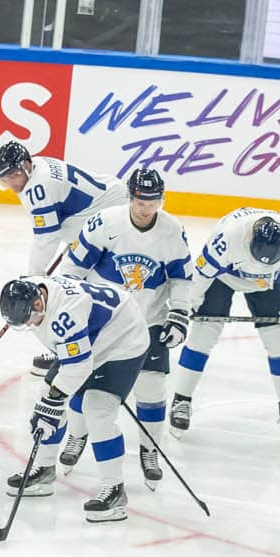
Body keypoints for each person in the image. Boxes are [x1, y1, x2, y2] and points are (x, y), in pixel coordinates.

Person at [62, 167, 196, 485]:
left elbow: (181, 277)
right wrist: (69, 307)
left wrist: (178, 313)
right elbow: (73, 268)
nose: (146, 207)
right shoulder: (106, 222)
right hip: (103, 320)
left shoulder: (172, 232)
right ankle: (75, 434)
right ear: (130, 197)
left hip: (149, 320)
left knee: (151, 387)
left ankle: (150, 449)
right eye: (140, 200)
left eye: (152, 201)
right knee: (83, 380)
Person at [0, 273, 150, 523]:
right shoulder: (34, 290)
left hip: (123, 338)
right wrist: (50, 402)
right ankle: (45, 470)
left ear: (38, 304)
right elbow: (72, 359)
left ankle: (114, 490)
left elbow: (78, 366)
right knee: (47, 397)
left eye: (31, 319)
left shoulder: (64, 315)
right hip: (91, 334)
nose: (32, 325)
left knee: (98, 410)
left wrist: (52, 404)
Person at [170, 206, 280, 440]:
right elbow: (202, 277)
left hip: (269, 281)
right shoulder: (227, 239)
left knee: (278, 341)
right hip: (223, 277)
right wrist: (185, 308)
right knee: (203, 334)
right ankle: (181, 400)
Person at [0, 139, 122, 273]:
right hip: (112, 195)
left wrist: (33, 276)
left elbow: (47, 238)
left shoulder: (39, 188)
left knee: (73, 273)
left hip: (112, 210)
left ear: (26, 165)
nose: (11, 185)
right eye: (4, 181)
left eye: (13, 176)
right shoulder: (38, 163)